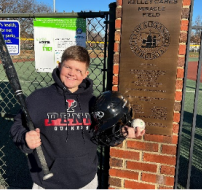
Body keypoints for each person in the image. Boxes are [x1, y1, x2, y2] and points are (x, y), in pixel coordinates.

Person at [10, 45, 145, 190]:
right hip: (48, 182)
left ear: (86, 73)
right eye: (68, 67)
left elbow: (101, 136)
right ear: (60, 65)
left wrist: (123, 132)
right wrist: (25, 137)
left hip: (85, 181)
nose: (72, 73)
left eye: (78, 70)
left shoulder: (94, 102)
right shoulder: (38, 98)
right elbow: (17, 127)